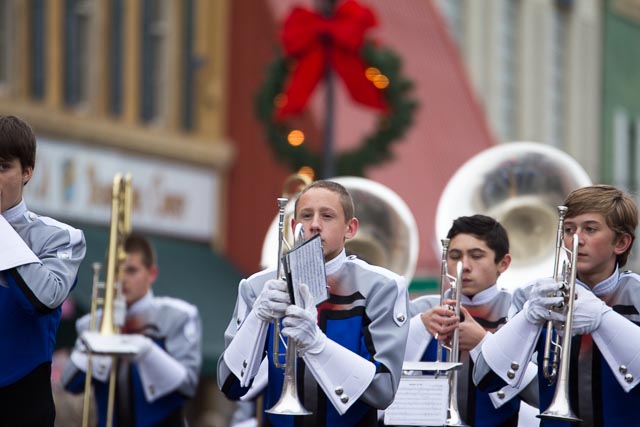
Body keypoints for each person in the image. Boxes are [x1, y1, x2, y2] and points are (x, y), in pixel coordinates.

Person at [218, 179, 410, 426]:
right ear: (294, 225)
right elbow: (229, 385)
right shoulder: (257, 286)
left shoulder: (381, 287)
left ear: (350, 229)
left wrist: (318, 345)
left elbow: (383, 391)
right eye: (306, 216)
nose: (315, 225)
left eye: (327, 216)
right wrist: (258, 316)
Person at [474, 184, 640, 426]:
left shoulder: (636, 295)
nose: (576, 239)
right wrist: (528, 317)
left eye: (590, 229)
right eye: (569, 229)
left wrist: (604, 319)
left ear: (621, 243)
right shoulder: (534, 295)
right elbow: (486, 379)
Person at [391, 214, 537, 427]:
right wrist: (419, 327)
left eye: (477, 256)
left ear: (503, 263)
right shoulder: (420, 309)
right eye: (455, 256)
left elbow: (538, 395)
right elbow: (383, 379)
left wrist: (483, 344)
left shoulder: (519, 314)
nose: (464, 266)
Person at [62, 232, 202, 427]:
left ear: (152, 273)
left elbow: (187, 387)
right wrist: (101, 342)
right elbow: (70, 382)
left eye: (131, 270)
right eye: (115, 270)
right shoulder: (93, 321)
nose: (121, 279)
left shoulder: (177, 316)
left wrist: (149, 353)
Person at [0, 115, 87, 426]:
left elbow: (42, 299)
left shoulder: (60, 237)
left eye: (1, 167)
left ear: (27, 172)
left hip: (22, 405)